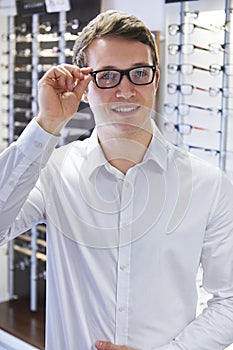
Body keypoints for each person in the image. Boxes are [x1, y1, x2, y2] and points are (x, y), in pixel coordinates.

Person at [0, 9, 233, 350]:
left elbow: (229, 300)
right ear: (83, 88)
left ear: (155, 79)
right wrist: (45, 125)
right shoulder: (54, 172)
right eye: (107, 75)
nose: (125, 91)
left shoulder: (209, 185)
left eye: (139, 73)